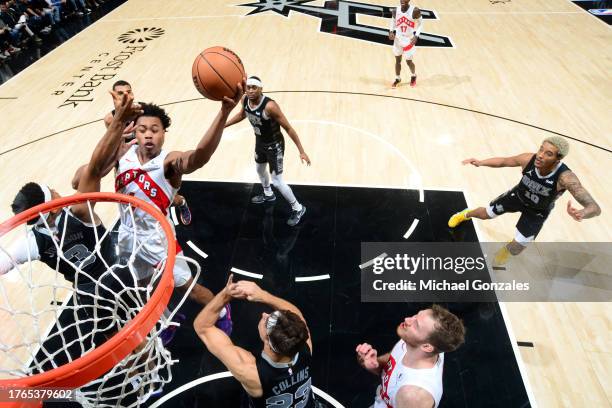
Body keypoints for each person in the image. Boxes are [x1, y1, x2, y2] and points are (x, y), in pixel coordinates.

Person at [0, 89, 143, 333]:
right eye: (54, 191)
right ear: (51, 204)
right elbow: (95, 167)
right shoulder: (78, 211)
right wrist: (118, 121)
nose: (59, 192)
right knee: (141, 329)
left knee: (118, 341)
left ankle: (139, 368)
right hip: (119, 278)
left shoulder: (32, 242)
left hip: (91, 296)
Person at [113, 82, 245, 336]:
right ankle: (166, 320)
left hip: (158, 238)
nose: (148, 135)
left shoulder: (169, 162)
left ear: (164, 133)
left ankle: (221, 309)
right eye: (142, 130)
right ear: (135, 133)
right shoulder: (122, 155)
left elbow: (199, 157)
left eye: (155, 130)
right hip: (128, 236)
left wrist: (224, 113)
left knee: (191, 289)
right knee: (143, 288)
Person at [448, 136, 602, 265]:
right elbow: (504, 161)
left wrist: (582, 213)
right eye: (540, 149)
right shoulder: (528, 159)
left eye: (548, 153)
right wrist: (481, 162)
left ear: (558, 158)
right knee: (486, 214)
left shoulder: (566, 177)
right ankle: (464, 214)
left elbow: (594, 208)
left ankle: (501, 255)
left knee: (518, 246)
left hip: (538, 211)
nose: (540, 155)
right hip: (517, 197)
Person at [194, 276, 320, 407]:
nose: (264, 314)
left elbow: (202, 327)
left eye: (267, 322)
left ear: (267, 340)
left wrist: (226, 295)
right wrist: (262, 295)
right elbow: (297, 315)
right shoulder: (304, 345)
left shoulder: (252, 373)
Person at [225, 75, 311, 227]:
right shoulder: (244, 100)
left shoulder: (270, 106)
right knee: (259, 169)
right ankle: (268, 194)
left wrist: (301, 150)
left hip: (274, 145)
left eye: (254, 88)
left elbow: (289, 128)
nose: (250, 90)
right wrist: (224, 125)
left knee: (277, 181)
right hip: (260, 142)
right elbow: (242, 114)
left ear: (261, 89)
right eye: (248, 87)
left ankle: (298, 208)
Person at [356, 305, 465, 408]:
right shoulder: (414, 342)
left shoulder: (413, 395)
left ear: (427, 346)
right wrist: (374, 364)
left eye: (416, 325)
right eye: (415, 315)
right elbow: (392, 362)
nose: (407, 319)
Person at [389, 0, 422, 88]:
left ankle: (413, 76)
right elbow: (392, 21)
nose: (402, 0)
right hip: (398, 39)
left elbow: (420, 24)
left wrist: (416, 36)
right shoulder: (395, 10)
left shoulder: (415, 10)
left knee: (408, 61)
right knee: (397, 60)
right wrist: (391, 31)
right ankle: (397, 78)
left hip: (408, 40)